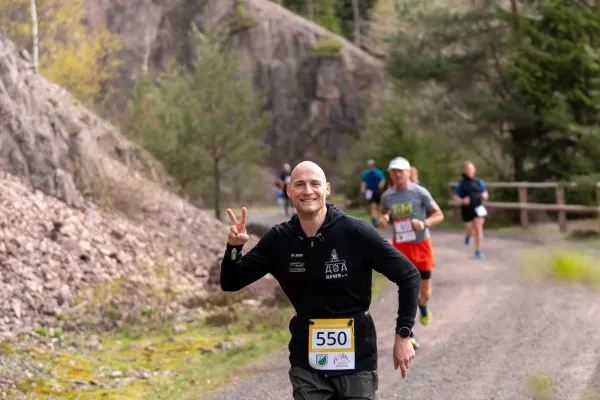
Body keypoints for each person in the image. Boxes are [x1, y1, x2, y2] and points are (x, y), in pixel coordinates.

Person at [221, 161, 421, 400]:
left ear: (326, 189)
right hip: (307, 362)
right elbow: (232, 282)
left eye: (315, 184)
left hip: (357, 358)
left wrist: (403, 335)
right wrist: (234, 249)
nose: (308, 191)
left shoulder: (355, 232)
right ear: (289, 192)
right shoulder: (279, 239)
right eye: (300, 185)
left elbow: (408, 274)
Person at [379, 157, 445, 350]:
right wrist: (383, 218)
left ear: (408, 172)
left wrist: (424, 223)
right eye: (394, 171)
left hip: (421, 245)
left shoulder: (419, 192)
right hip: (400, 247)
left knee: (425, 293)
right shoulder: (388, 196)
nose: (397, 175)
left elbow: (439, 214)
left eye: (401, 171)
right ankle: (409, 332)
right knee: (406, 290)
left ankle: (423, 306)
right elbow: (383, 213)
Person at [452, 160, 489, 259]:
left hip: (478, 209)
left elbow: (485, 193)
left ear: (474, 170)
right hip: (467, 210)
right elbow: (455, 197)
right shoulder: (461, 184)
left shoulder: (479, 182)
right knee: (469, 229)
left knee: (479, 229)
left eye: (471, 168)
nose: (469, 170)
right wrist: (462, 200)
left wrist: (484, 195)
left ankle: (478, 251)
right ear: (465, 170)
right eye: (467, 169)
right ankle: (468, 236)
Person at [360, 160, 386, 228]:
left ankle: (378, 219)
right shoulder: (366, 173)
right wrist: (363, 190)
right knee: (373, 206)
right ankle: (375, 219)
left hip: (378, 191)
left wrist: (380, 186)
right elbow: (363, 182)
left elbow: (382, 180)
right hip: (370, 191)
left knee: (379, 206)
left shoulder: (378, 172)